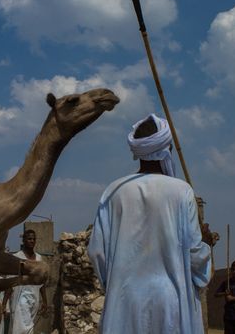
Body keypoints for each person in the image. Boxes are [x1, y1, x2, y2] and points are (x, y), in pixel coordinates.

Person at [87, 113, 212, 334]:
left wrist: (116, 283)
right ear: (167, 149)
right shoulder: (181, 191)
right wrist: (207, 245)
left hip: (124, 301)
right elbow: (194, 253)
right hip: (170, 301)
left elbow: (97, 252)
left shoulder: (113, 192)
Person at [3, 230, 47, 334]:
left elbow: (42, 282)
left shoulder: (39, 258)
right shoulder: (17, 257)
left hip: (34, 299)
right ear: (23, 240)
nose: (32, 241)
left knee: (27, 327)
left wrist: (45, 301)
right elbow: (11, 281)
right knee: (23, 329)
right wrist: (4, 303)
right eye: (29, 239)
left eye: (33, 239)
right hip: (20, 300)